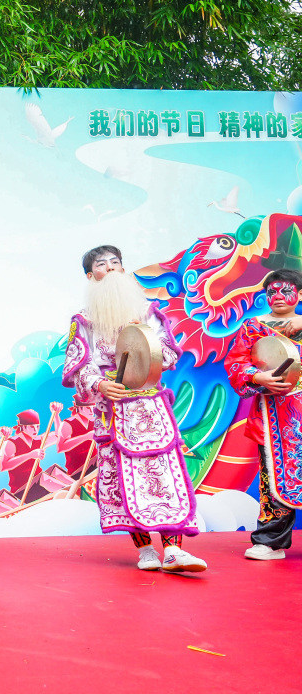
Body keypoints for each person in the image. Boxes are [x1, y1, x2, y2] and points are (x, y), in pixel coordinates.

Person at [62, 245, 205, 573]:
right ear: (91, 276)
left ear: (124, 270)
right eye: (102, 265)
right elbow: (78, 364)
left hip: (151, 408)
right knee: (121, 480)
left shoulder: (147, 312)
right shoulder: (84, 320)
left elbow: (168, 355)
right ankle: (145, 550)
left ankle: (173, 551)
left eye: (116, 263)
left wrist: (143, 337)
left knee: (163, 476)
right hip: (112, 412)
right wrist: (99, 384)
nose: (111, 269)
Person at [224, 268, 302, 560]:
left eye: (286, 290)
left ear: (300, 294)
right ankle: (269, 542)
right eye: (272, 292)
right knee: (273, 478)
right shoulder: (254, 327)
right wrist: (258, 377)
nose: (278, 296)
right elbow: (236, 362)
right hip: (274, 414)